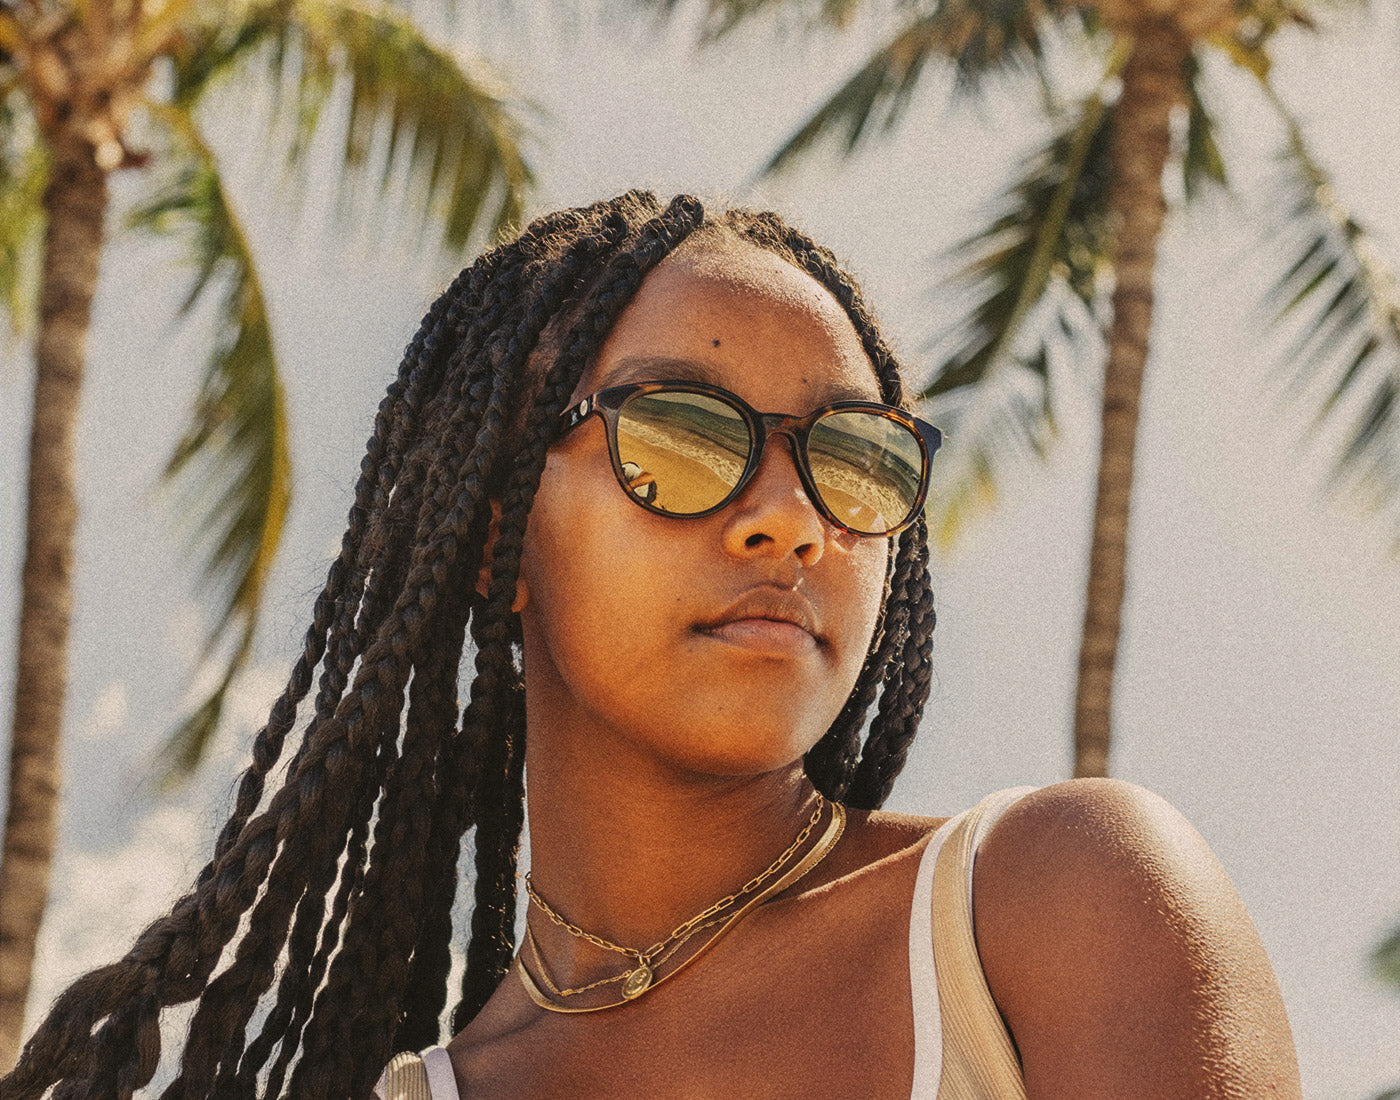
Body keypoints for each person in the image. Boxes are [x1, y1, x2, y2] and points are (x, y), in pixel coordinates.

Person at [3, 192, 1302, 1100]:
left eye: (853, 461)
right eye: (683, 439)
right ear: (495, 534)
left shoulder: (1055, 904)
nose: (792, 520)